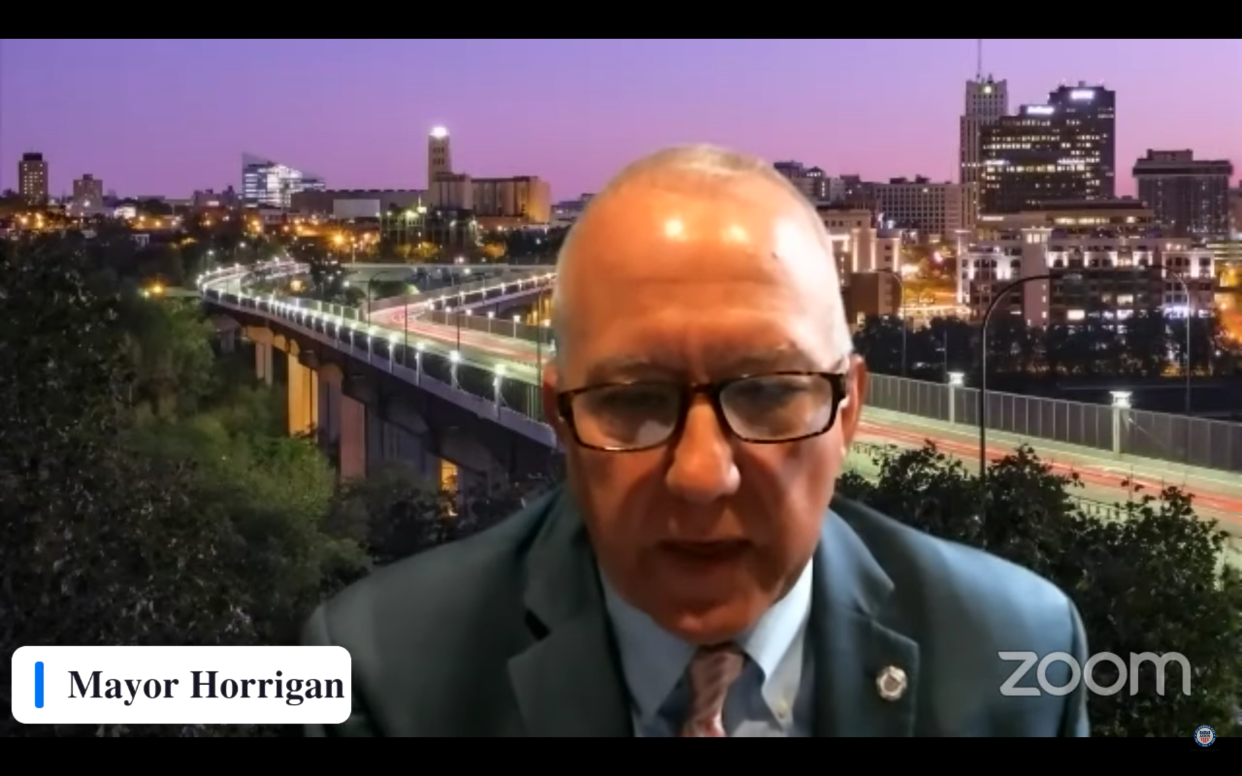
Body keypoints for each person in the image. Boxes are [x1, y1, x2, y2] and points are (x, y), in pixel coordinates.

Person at [302, 145, 1090, 737]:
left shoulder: (1016, 652)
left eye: (771, 394)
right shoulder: (382, 670)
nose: (703, 475)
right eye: (634, 402)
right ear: (561, 421)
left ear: (848, 412)